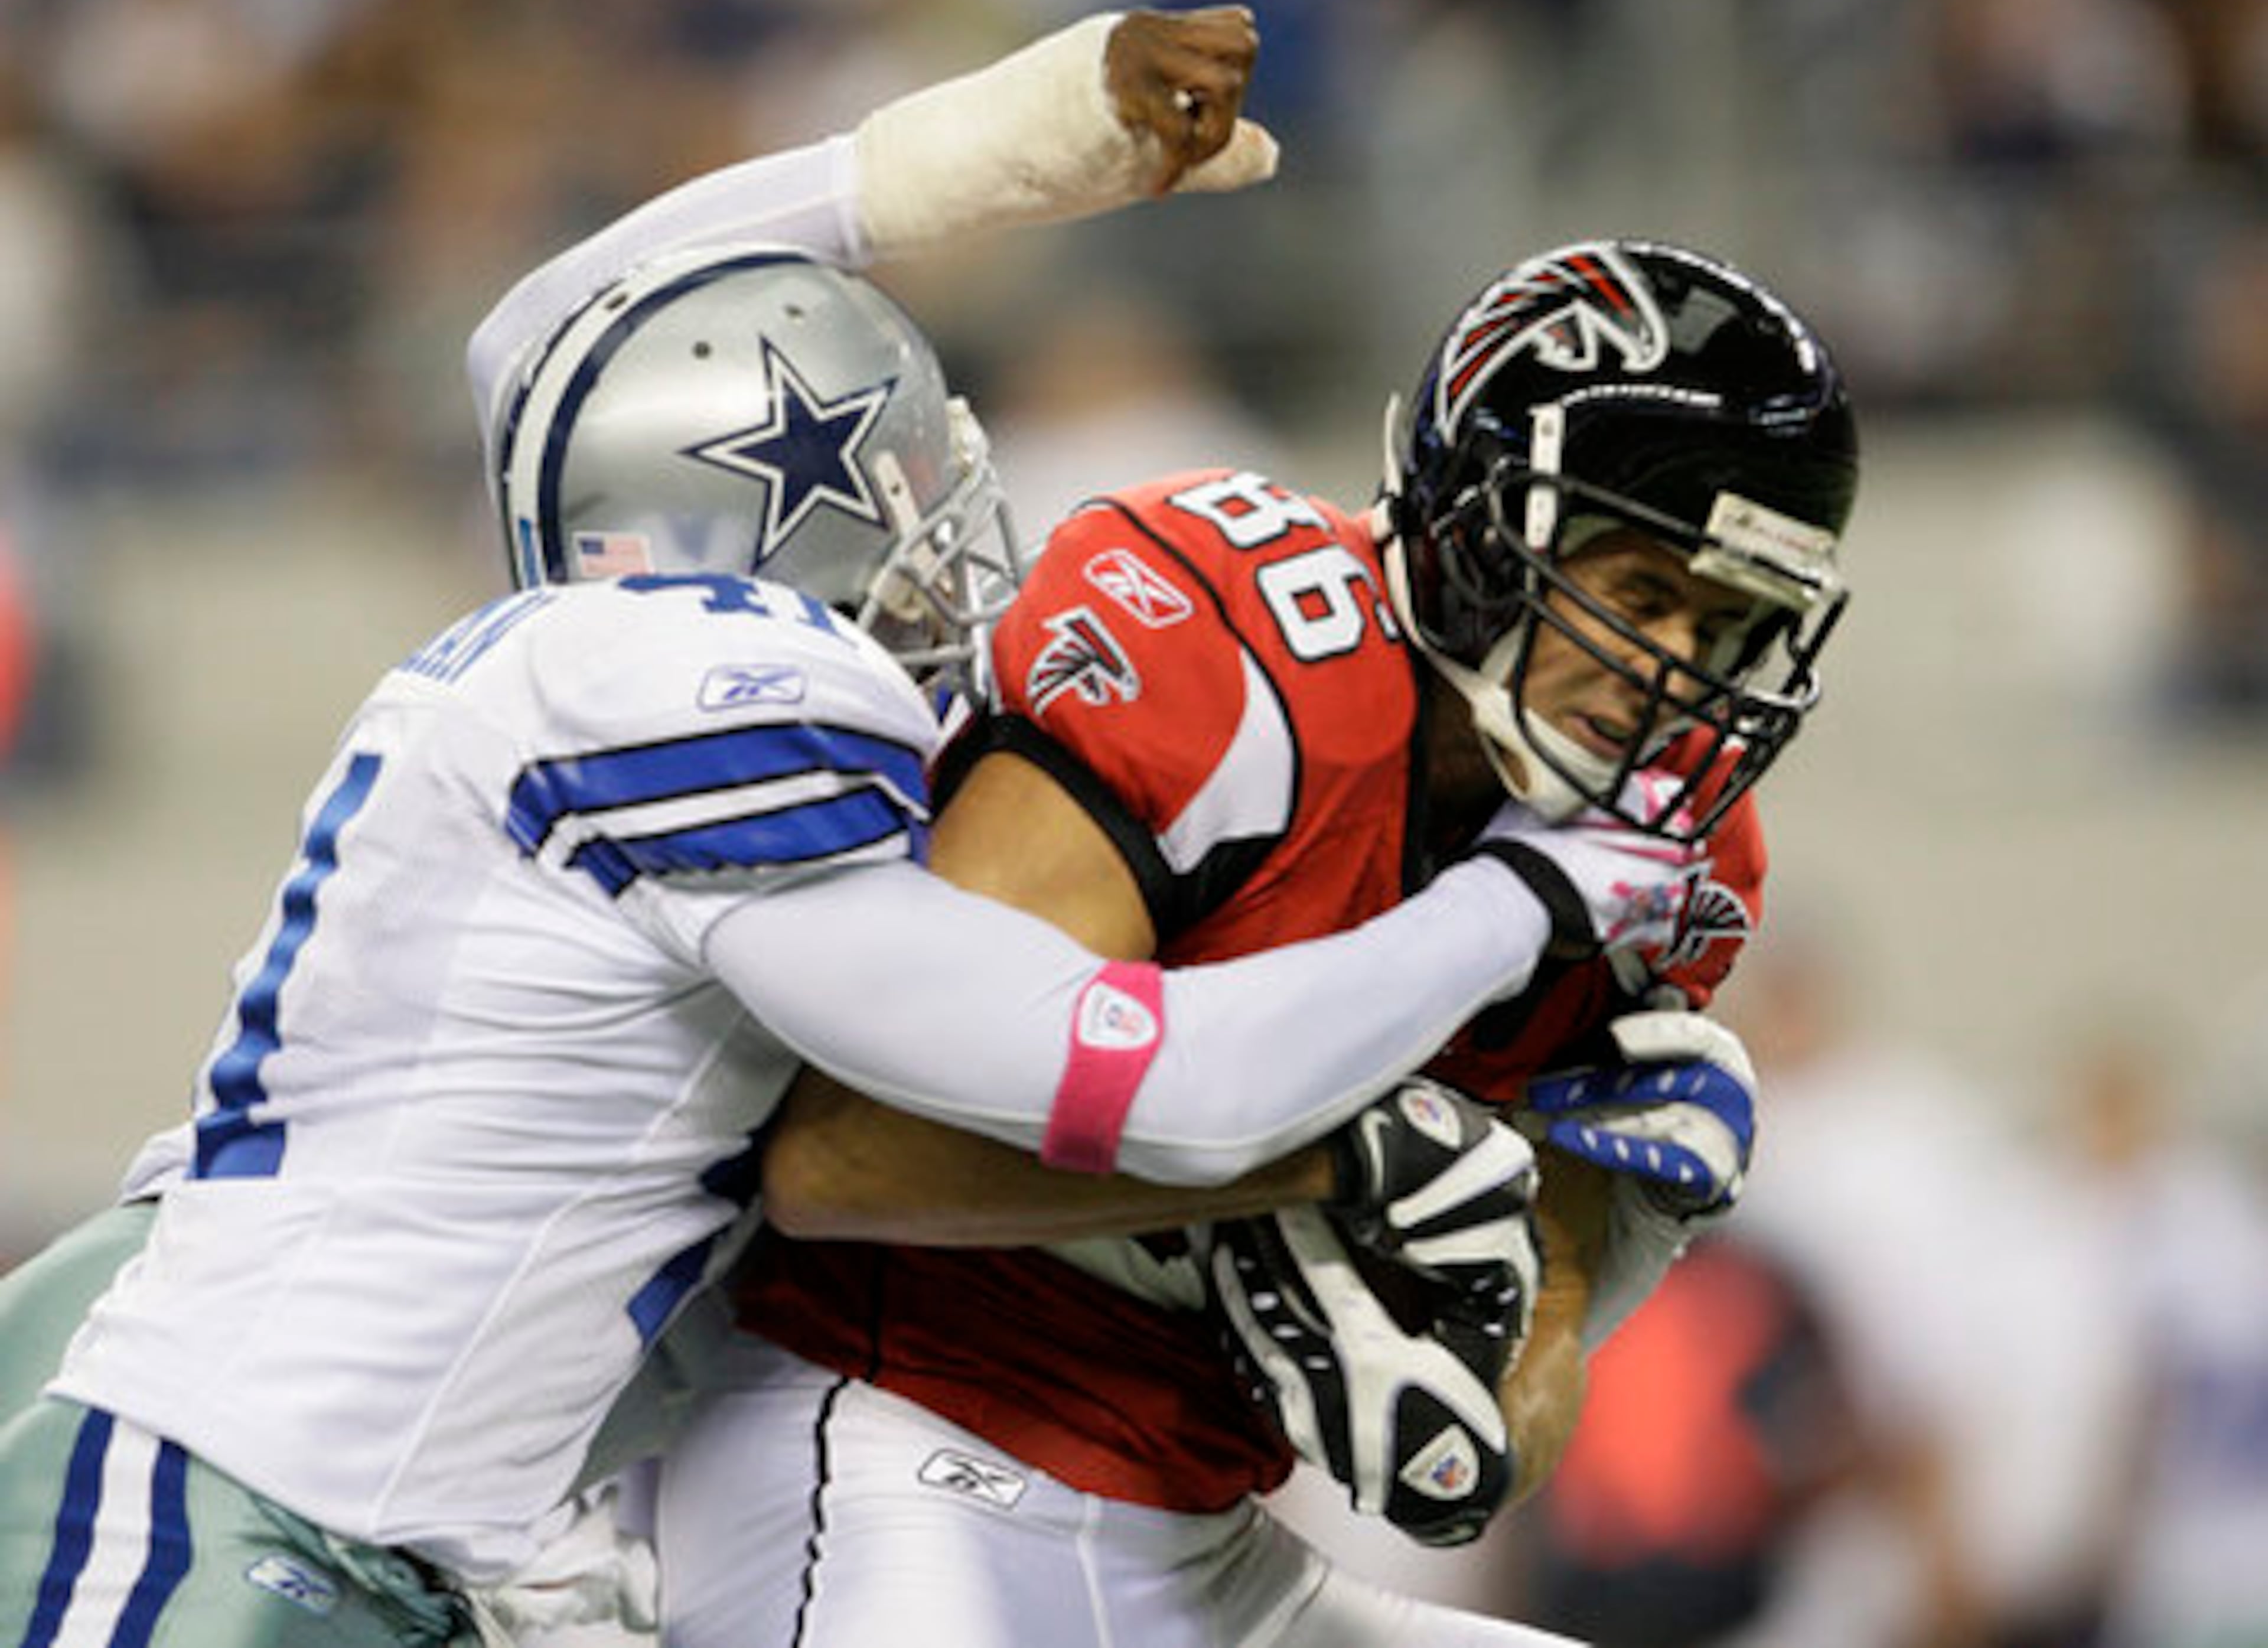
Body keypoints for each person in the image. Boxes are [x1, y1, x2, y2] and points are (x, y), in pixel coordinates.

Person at [0, 9, 1690, 1648]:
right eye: (904, 482)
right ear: (764, 510)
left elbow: (549, 336)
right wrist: (1521, 901)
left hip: (302, 1489)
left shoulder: (590, 649)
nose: (951, 526)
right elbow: (1164, 1084)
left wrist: (989, 150)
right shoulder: (714, 687)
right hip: (237, 1486)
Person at [654, 210, 1859, 1648]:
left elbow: (1494, 1430)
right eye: (1645, 594)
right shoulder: (1227, 649)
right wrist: (1311, 1169)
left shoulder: (1676, 855)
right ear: (1483, 523)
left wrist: (1527, 1335)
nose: (1675, 673)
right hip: (889, 1431)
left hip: (1204, 1538)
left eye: (1723, 627)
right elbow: (845, 1152)